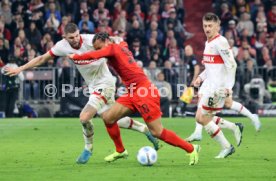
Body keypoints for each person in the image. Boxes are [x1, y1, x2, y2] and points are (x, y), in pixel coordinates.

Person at [4, 23, 159, 164]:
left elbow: (114, 39)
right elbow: (42, 58)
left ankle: (88, 149)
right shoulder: (62, 46)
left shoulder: (91, 40)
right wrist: (20, 69)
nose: (76, 39)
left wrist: (121, 47)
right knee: (112, 118)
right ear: (65, 37)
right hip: (93, 86)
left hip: (105, 83)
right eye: (71, 37)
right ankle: (144, 130)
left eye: (77, 35)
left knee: (84, 117)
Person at [69, 32, 200, 166]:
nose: (99, 50)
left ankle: (191, 148)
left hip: (144, 92)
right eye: (97, 48)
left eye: (99, 47)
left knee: (157, 132)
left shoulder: (112, 48)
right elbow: (120, 41)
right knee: (108, 118)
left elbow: (93, 56)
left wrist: (76, 57)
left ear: (106, 41)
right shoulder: (121, 45)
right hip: (132, 91)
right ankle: (120, 150)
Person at [190, 13, 241, 158]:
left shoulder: (221, 42)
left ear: (217, 26)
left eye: (210, 26)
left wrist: (228, 87)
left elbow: (232, 64)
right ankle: (232, 129)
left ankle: (227, 146)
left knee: (203, 118)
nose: (207, 28)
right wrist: (200, 77)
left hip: (218, 88)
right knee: (201, 117)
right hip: (209, 86)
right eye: (205, 25)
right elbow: (211, 67)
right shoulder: (208, 43)